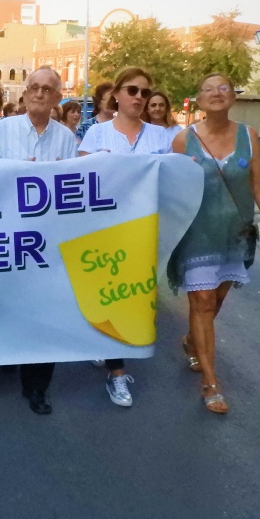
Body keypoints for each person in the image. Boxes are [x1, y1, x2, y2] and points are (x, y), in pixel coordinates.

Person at [167, 73, 260, 414]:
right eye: (208, 89)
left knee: (216, 300)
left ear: (232, 97)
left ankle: (193, 340)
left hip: (235, 234)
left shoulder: (248, 137)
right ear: (199, 100)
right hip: (196, 235)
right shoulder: (183, 141)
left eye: (223, 87)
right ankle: (211, 382)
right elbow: (174, 192)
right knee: (204, 301)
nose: (216, 93)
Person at [0, 67, 80, 414]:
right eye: (33, 86)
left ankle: (37, 387)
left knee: (44, 310)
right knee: (9, 305)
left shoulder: (66, 139)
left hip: (47, 243)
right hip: (6, 238)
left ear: (57, 97)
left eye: (47, 89)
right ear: (24, 94)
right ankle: (9, 353)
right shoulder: (2, 130)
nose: (39, 93)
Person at [76, 66, 172, 407]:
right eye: (132, 90)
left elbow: (173, 181)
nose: (139, 98)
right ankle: (117, 375)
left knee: (133, 298)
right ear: (115, 94)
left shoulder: (162, 137)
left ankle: (106, 347)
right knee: (112, 296)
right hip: (105, 229)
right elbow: (82, 181)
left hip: (144, 229)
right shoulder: (97, 135)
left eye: (145, 92)